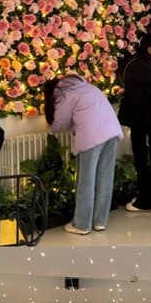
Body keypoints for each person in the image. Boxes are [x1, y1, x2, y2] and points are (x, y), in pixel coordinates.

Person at [44, 75, 123, 235]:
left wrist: (50, 128)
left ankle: (81, 224)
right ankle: (100, 221)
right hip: (112, 132)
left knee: (86, 180)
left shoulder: (63, 93)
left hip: (92, 136)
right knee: (105, 178)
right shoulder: (88, 87)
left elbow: (60, 123)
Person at [118, 33, 151, 212]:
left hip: (135, 117)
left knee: (140, 158)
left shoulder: (129, 63)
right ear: (150, 48)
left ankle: (143, 198)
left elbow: (124, 83)